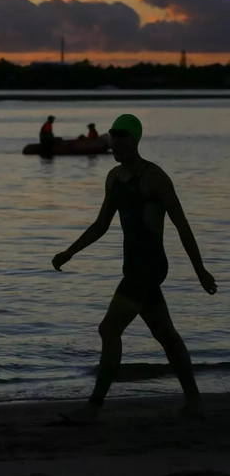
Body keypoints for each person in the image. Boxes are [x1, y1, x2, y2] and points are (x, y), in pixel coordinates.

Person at [52, 114, 217, 422]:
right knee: (165, 334)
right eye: (113, 135)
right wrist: (70, 251)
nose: (116, 141)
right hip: (133, 266)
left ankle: (94, 407)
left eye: (122, 136)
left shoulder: (154, 177)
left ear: (136, 140)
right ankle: (194, 400)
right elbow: (101, 224)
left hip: (150, 266)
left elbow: (182, 225)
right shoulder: (114, 178)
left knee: (109, 328)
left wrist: (200, 270)